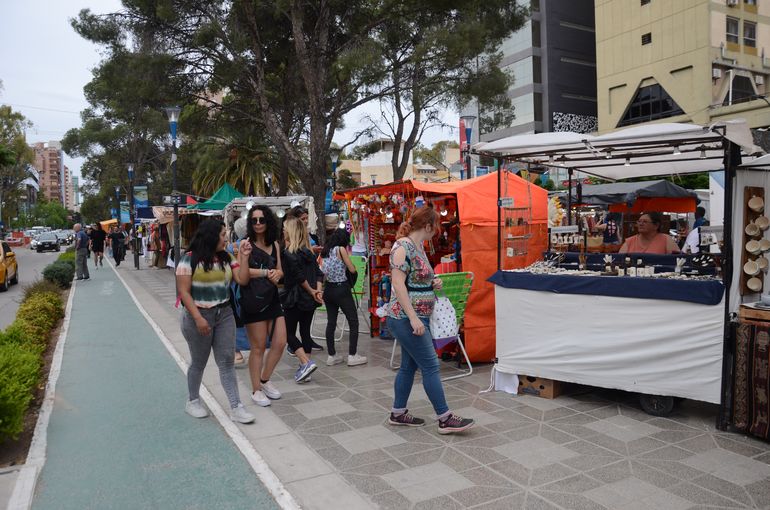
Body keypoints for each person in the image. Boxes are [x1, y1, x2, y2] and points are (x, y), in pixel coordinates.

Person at [386, 207, 474, 434]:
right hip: (407, 318)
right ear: (427, 226)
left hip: (416, 317)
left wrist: (434, 283)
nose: (436, 232)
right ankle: (444, 418)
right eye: (435, 227)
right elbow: (398, 285)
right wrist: (414, 318)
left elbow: (420, 277)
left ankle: (398, 412)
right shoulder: (402, 248)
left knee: (409, 365)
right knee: (431, 366)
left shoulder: (418, 248)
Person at [176, 218, 255, 424]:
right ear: (211, 236)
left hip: (224, 315)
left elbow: (243, 279)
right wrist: (198, 318)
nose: (225, 237)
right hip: (197, 317)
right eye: (222, 234)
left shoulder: (227, 257)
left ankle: (236, 406)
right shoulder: (189, 259)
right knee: (199, 362)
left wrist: (244, 257)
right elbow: (183, 292)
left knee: (226, 361)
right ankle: (193, 401)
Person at [236, 205, 291, 406]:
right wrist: (264, 273)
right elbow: (240, 274)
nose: (258, 224)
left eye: (262, 220)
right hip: (253, 299)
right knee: (258, 347)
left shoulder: (275, 244)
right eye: (254, 220)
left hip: (272, 297)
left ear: (268, 221)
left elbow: (279, 270)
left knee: (280, 342)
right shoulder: (245, 245)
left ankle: (265, 380)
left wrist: (279, 274)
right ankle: (256, 390)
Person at [281, 216, 323, 381]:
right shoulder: (309, 253)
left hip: (295, 298)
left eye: (285, 228)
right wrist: (316, 291)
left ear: (290, 231)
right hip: (309, 300)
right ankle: (306, 368)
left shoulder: (288, 253)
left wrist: (313, 291)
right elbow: (319, 274)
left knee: (287, 333)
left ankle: (305, 363)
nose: (283, 231)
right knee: (305, 332)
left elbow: (298, 277)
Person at [320, 228, 367, 367]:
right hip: (342, 289)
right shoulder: (341, 249)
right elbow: (352, 269)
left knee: (331, 322)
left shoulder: (325, 251)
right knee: (353, 321)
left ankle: (332, 355)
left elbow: (323, 271)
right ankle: (352, 355)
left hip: (328, 290)